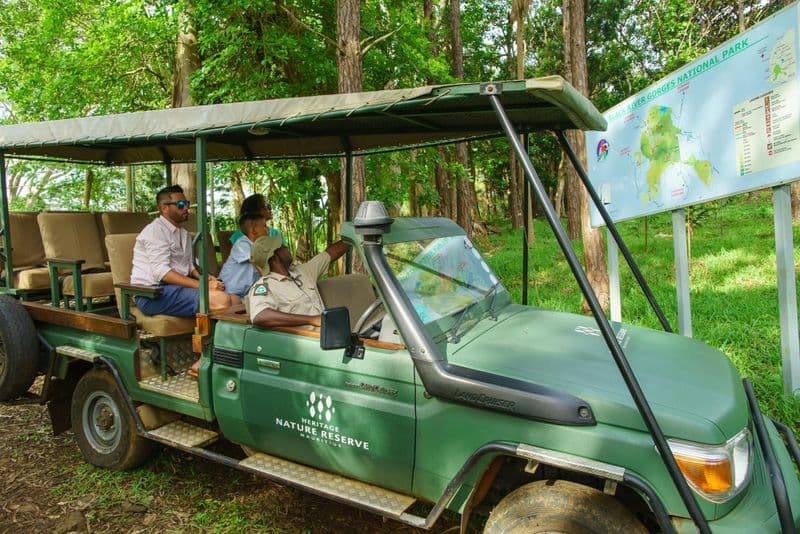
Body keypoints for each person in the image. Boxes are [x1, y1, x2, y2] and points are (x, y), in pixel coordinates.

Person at [131, 184, 240, 316]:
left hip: (174, 288)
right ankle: (214, 336)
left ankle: (225, 335)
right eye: (180, 204)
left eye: (186, 203)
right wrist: (203, 286)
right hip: (152, 294)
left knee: (235, 300)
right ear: (164, 208)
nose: (186, 208)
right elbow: (162, 273)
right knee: (221, 300)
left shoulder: (183, 234)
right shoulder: (155, 231)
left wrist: (204, 279)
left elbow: (188, 266)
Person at [245, 234, 349, 329]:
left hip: (331, 335)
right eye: (282, 246)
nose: (287, 248)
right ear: (275, 257)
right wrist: (311, 320)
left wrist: (354, 237)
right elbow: (260, 316)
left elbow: (330, 254)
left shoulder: (304, 271)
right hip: (308, 341)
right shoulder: (265, 286)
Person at [218, 212, 269, 298]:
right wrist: (271, 281)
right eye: (264, 226)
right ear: (253, 230)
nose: (268, 228)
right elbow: (258, 263)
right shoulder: (242, 243)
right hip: (227, 290)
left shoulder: (261, 246)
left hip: (243, 293)